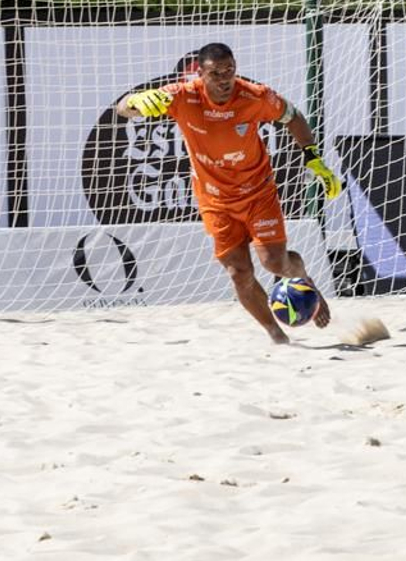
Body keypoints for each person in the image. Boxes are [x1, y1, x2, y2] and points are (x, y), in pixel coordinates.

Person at [116, 42, 343, 344]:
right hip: (215, 200)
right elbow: (122, 109)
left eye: (230, 71)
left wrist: (313, 158)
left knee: (274, 263)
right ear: (200, 73)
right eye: (216, 73)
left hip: (257, 191)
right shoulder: (182, 96)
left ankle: (301, 277)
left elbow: (294, 117)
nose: (224, 79)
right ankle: (278, 337)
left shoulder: (254, 95)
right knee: (239, 273)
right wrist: (137, 100)